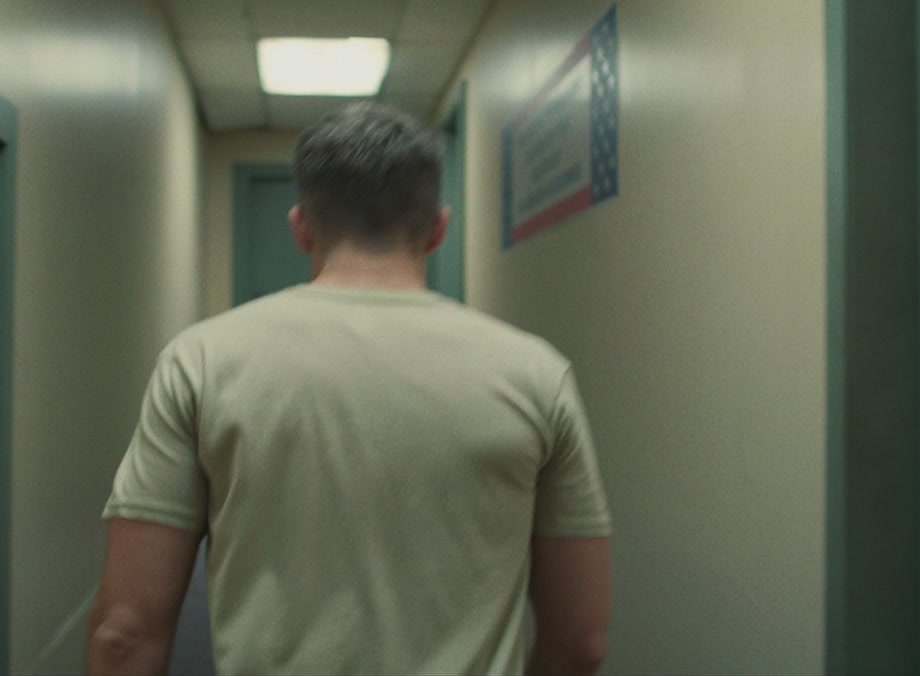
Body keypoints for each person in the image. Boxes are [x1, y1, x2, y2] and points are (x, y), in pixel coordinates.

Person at [87, 102, 612, 676]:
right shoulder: (536, 374)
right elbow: (581, 641)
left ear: (301, 227)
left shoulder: (199, 362)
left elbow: (125, 634)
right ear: (438, 229)